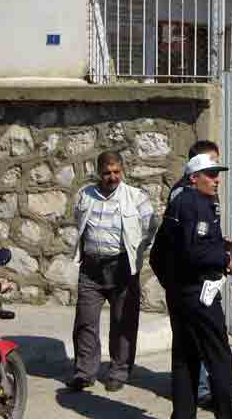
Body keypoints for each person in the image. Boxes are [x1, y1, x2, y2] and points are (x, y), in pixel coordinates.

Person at [150, 153, 232, 419]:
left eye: (217, 174)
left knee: (185, 358)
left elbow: (159, 255)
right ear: (193, 178)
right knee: (219, 359)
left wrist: (173, 287)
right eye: (210, 175)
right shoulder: (195, 203)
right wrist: (225, 259)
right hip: (200, 296)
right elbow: (193, 252)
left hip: (182, 296)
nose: (216, 180)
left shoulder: (181, 204)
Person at [67, 150, 158, 392]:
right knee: (85, 322)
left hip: (122, 269)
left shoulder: (136, 197)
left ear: (122, 170)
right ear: (98, 172)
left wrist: (138, 251)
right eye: (107, 172)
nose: (112, 177)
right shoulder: (84, 196)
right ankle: (84, 372)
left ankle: (119, 372)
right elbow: (78, 221)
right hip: (91, 269)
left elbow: (151, 226)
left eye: (117, 171)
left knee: (123, 322)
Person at [168, 139, 220, 410]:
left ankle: (200, 390)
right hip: (190, 288)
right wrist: (222, 257)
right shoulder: (184, 198)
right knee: (194, 350)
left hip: (199, 283)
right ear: (194, 172)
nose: (216, 176)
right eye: (210, 167)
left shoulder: (207, 193)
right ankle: (200, 392)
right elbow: (187, 250)